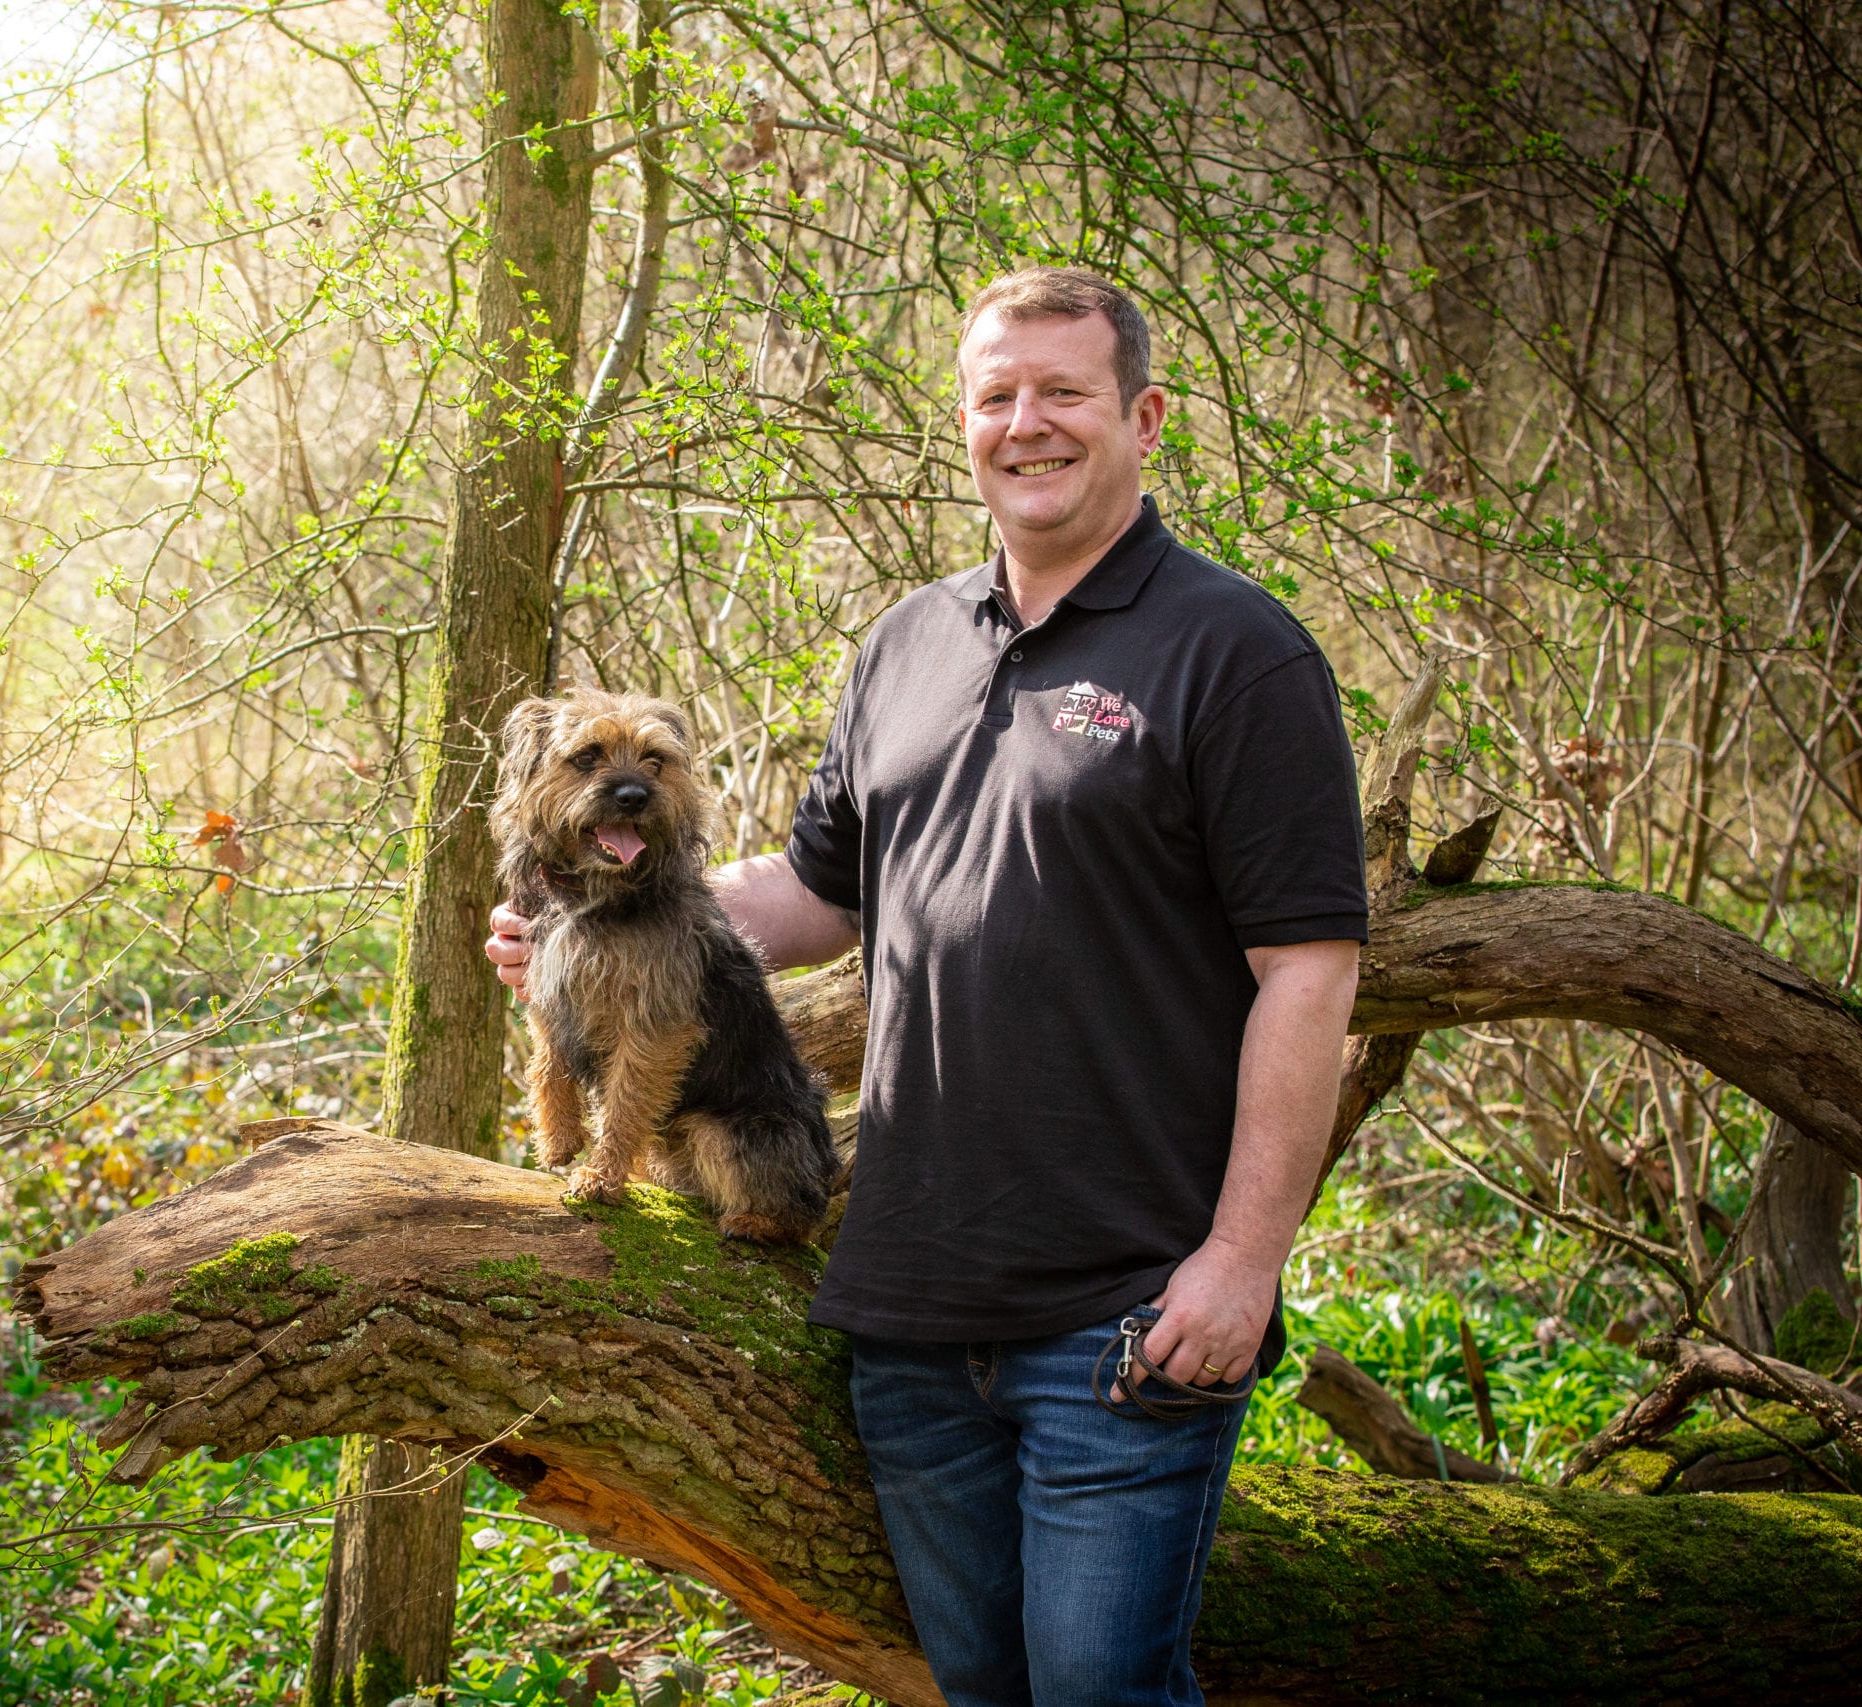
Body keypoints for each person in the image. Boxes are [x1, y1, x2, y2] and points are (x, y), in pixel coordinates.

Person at [486, 266, 1366, 1706]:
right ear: (964, 422)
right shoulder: (906, 643)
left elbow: (1310, 975)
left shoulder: (1237, 653)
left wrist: (1242, 1267)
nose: (1029, 424)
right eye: (998, 395)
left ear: (1143, 417)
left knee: (1100, 1697)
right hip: (906, 1309)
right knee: (977, 1690)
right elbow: (808, 896)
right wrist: (599, 917)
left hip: (1124, 1309)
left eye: (1065, 393)